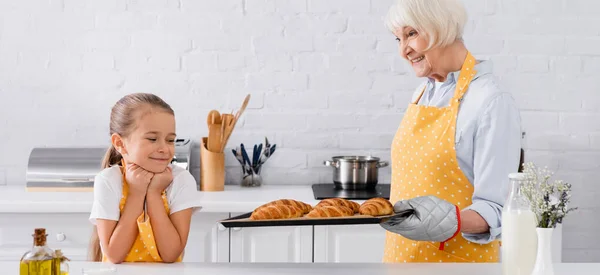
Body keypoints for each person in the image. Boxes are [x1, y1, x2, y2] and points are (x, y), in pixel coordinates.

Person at [379, 0, 522, 263]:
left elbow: (500, 210)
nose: (403, 51)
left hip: (457, 265)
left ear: (441, 28)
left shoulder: (491, 101)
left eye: (411, 34)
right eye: (398, 39)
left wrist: (451, 221)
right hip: (401, 260)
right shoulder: (422, 94)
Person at [88, 93, 201, 263]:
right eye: (152, 139)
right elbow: (114, 255)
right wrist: (136, 193)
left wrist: (154, 193)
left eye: (170, 140)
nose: (164, 148)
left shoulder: (181, 181)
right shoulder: (108, 181)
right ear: (120, 143)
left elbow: (170, 254)